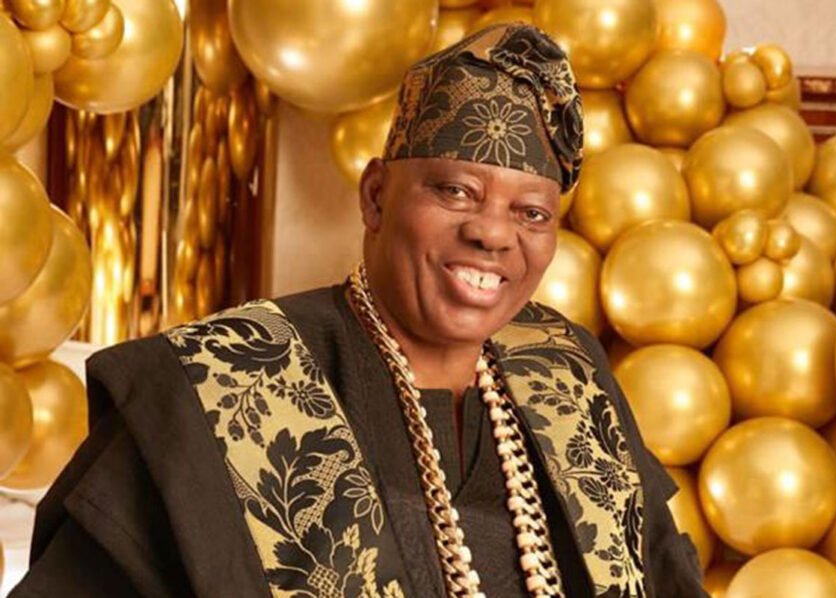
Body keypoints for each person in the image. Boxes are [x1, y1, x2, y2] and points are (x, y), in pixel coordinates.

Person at [12, 24, 706, 598]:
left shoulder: (568, 377)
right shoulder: (218, 385)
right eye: (456, 192)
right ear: (376, 195)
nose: (493, 234)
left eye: (531, 212)